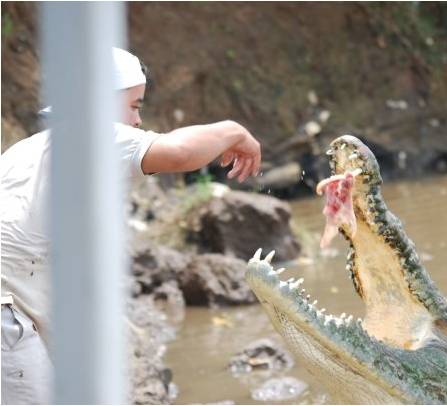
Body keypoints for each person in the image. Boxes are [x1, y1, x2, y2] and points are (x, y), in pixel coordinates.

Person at [0, 47, 262, 404]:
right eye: (135, 106)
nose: (138, 120)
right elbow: (180, 153)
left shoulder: (29, 149)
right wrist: (233, 131)